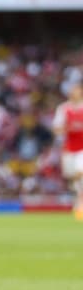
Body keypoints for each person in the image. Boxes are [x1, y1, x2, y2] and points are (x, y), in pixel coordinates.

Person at [52, 80, 83, 220]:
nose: (73, 93)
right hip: (69, 149)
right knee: (72, 178)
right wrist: (69, 128)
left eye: (76, 90)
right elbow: (56, 129)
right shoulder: (63, 109)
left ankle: (80, 204)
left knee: (79, 172)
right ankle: (78, 198)